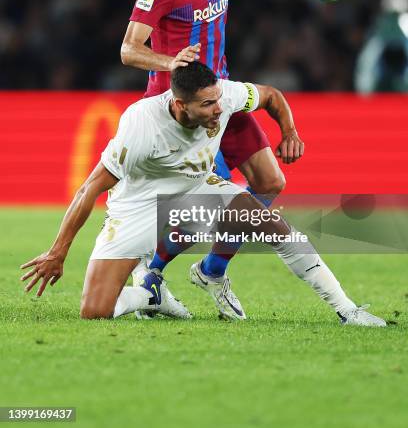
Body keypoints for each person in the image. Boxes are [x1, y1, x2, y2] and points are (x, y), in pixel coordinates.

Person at [121, 0, 359, 290]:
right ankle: (151, 272)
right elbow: (129, 48)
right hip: (183, 111)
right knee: (202, 209)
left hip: (223, 97)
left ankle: (211, 271)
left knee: (269, 183)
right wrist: (170, 61)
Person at [21, 62, 385, 327]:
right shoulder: (142, 126)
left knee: (277, 229)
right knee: (94, 311)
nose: (218, 110)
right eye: (207, 105)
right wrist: (58, 252)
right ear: (180, 106)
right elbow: (89, 188)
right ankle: (151, 295)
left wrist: (289, 131)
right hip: (137, 208)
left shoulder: (224, 95)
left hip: (198, 190)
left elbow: (272, 97)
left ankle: (348, 311)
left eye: (217, 100)